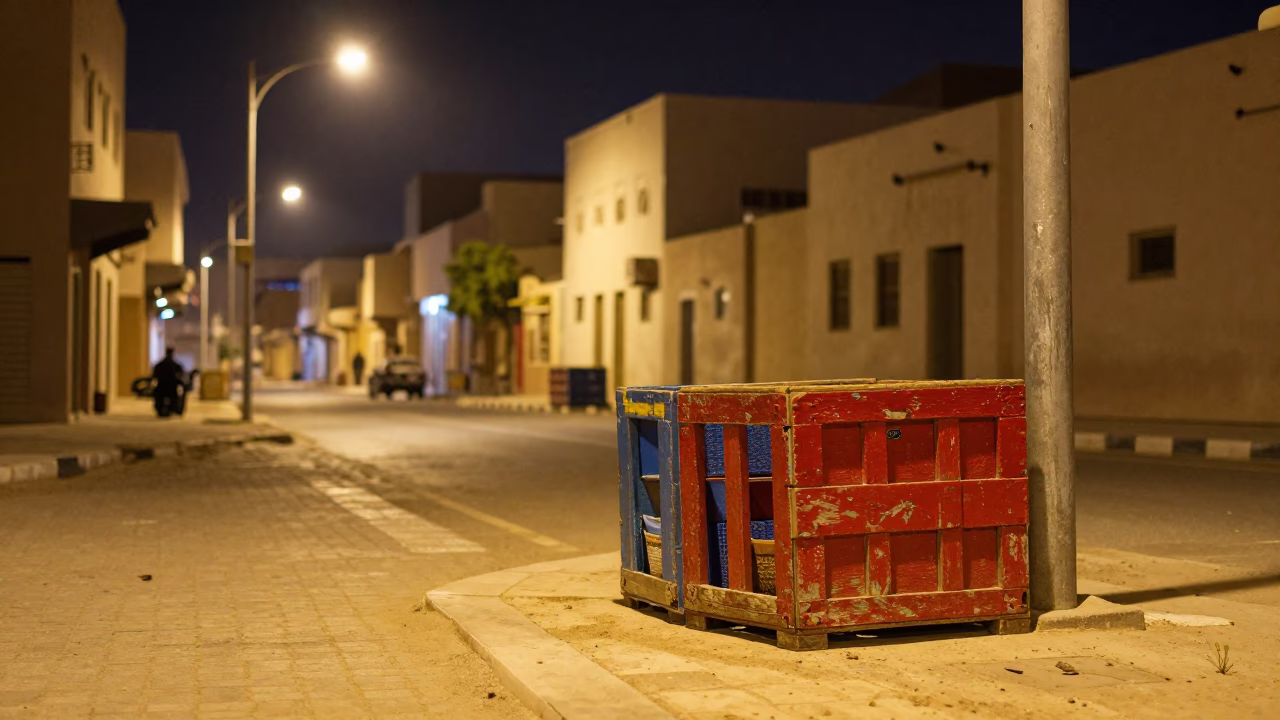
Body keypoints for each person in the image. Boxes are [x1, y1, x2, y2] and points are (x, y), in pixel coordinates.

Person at [152, 347, 185, 418]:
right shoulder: (176, 365)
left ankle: (160, 408)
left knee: (157, 396)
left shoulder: (159, 365)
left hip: (161, 387)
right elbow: (181, 375)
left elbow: (154, 376)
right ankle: (177, 409)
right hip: (172, 388)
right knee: (179, 395)